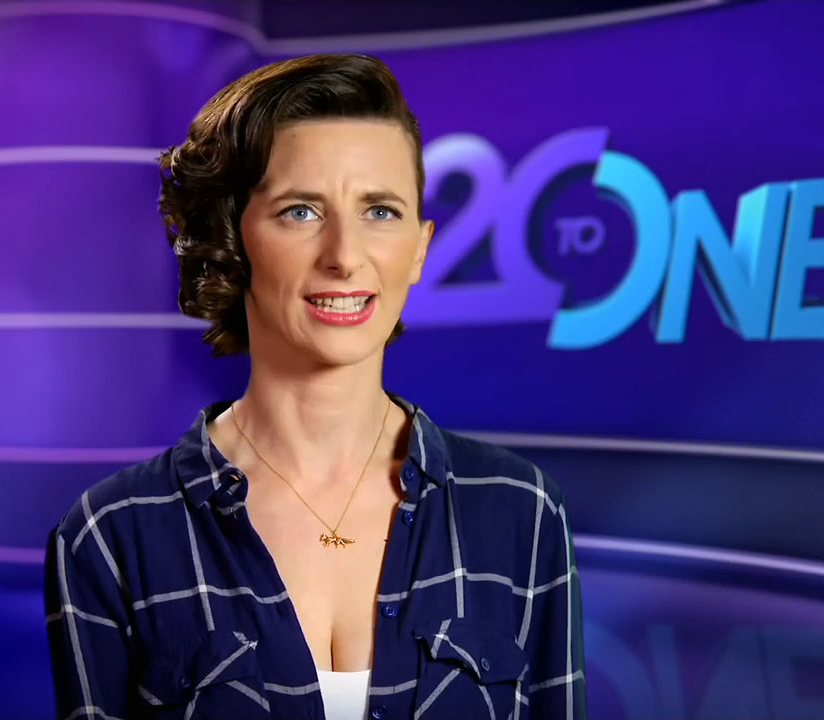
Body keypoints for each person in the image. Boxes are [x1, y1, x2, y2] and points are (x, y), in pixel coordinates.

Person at [43, 54, 585, 720]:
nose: (345, 256)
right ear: (229, 238)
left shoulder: (522, 510)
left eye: (380, 211)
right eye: (300, 212)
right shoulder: (109, 535)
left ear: (420, 246)